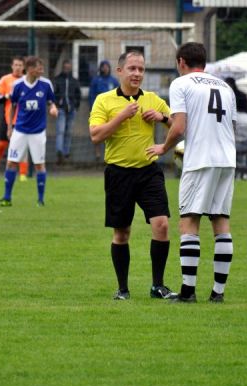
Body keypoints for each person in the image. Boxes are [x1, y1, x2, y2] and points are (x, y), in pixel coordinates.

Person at [147, 42, 236, 303]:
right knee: (221, 221)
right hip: (227, 160)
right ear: (204, 63)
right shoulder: (225, 87)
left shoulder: (181, 84)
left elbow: (180, 127)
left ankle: (187, 291)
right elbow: (232, 128)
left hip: (199, 160)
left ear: (181, 62)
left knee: (189, 221)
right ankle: (218, 293)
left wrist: (164, 147)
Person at [89, 50, 176, 301]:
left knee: (161, 224)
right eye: (132, 69)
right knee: (122, 233)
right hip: (118, 173)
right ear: (120, 71)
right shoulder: (103, 100)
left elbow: (180, 125)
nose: (137, 73)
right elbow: (96, 135)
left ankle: (157, 286)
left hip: (149, 172)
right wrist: (121, 116)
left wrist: (162, 117)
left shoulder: (152, 99)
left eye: (141, 69)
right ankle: (123, 289)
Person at [0, 56, 57, 207]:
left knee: (39, 165)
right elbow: (13, 107)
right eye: (39, 67)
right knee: (11, 163)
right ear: (29, 69)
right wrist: (10, 127)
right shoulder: (17, 86)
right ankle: (7, 198)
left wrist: (53, 109)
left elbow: (51, 103)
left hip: (38, 132)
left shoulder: (46, 84)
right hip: (20, 131)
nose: (42, 70)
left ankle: (40, 200)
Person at [0, 56, 29, 182]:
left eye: (20, 65)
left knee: (22, 147)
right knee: (2, 145)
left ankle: (22, 174)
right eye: (15, 65)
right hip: (8, 119)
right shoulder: (5, 79)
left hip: (23, 119)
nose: (17, 67)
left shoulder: (27, 81)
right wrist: (7, 96)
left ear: (24, 67)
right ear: (12, 66)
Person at [89, 60, 119, 163]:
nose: (105, 68)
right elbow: (91, 95)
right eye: (103, 66)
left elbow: (119, 95)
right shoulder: (96, 80)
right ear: (100, 68)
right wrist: (92, 109)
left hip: (111, 112)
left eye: (107, 66)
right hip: (99, 112)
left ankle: (109, 154)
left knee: (110, 132)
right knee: (97, 132)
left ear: (109, 68)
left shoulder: (114, 81)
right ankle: (97, 154)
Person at [53, 60, 81, 165]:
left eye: (69, 67)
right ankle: (59, 151)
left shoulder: (74, 80)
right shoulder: (58, 79)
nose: (67, 69)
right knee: (60, 130)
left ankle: (66, 152)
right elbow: (54, 93)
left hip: (71, 109)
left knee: (69, 132)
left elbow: (78, 93)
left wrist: (76, 105)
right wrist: (56, 104)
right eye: (65, 67)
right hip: (61, 108)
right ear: (62, 67)